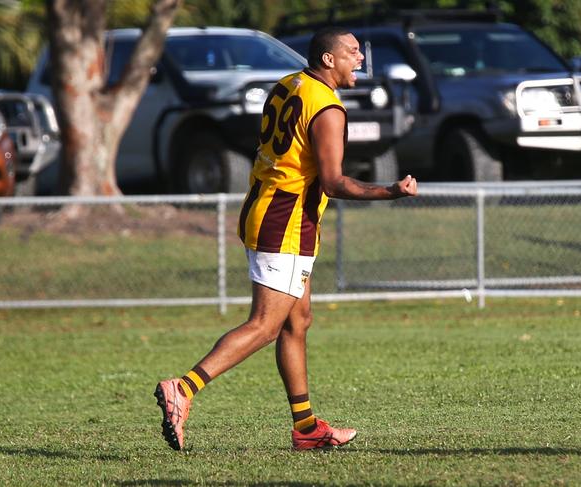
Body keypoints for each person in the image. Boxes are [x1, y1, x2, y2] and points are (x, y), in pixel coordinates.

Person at [154, 26, 418, 451]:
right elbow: (332, 182)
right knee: (265, 325)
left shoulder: (288, 84)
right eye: (353, 52)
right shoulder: (327, 108)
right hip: (286, 222)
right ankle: (183, 389)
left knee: (298, 321)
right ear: (329, 59)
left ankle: (306, 427)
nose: (361, 59)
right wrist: (389, 191)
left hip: (264, 208)